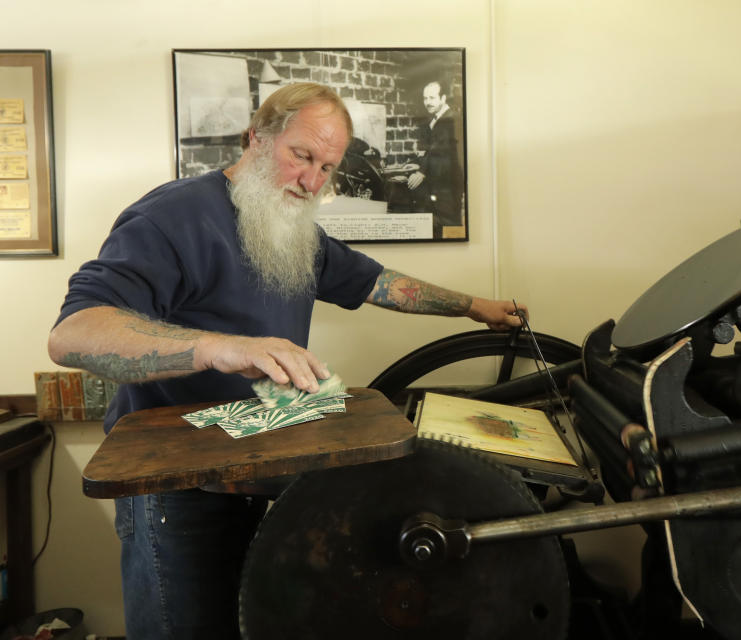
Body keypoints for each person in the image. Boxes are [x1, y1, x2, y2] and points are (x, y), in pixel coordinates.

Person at [47, 82, 526, 640]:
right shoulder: (172, 216)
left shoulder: (295, 231)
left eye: (328, 167)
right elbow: (73, 334)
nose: (312, 181)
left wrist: (475, 308)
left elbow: (380, 284)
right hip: (177, 494)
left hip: (256, 475)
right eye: (301, 156)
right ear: (256, 137)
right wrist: (223, 347)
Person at [406, 79, 465, 237]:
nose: (427, 102)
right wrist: (416, 165)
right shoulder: (434, 120)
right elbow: (430, 151)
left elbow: (443, 152)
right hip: (436, 185)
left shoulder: (452, 119)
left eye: (432, 98)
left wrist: (421, 172)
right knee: (436, 227)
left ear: (443, 98)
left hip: (448, 187)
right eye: (425, 98)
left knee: (449, 228)